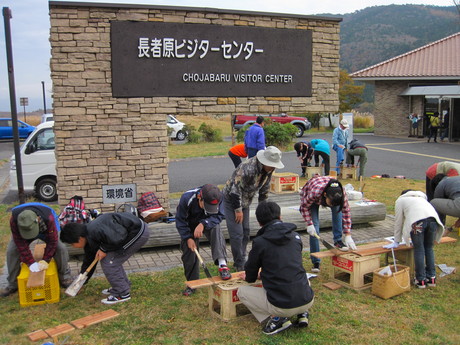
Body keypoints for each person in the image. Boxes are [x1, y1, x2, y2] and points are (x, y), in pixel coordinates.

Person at [237, 201, 314, 335]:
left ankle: (277, 318)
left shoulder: (260, 242)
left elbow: (250, 277)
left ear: (259, 222)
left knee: (241, 291)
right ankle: (302, 312)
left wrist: (251, 275)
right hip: (307, 300)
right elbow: (287, 264)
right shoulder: (296, 236)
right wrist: (264, 274)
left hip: (282, 305)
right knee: (301, 276)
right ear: (280, 217)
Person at [60, 211, 150, 304]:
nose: (73, 246)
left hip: (138, 232)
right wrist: (80, 283)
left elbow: (119, 237)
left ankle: (122, 294)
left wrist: (104, 249)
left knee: (110, 262)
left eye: (72, 244)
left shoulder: (94, 230)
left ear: (79, 238)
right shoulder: (88, 237)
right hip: (128, 234)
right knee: (110, 260)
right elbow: (89, 262)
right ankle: (122, 285)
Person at [222, 146, 284, 272]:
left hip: (245, 200)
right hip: (232, 200)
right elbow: (235, 191)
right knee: (237, 233)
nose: (273, 168)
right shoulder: (248, 168)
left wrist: (265, 214)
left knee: (246, 231)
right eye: (271, 165)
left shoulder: (269, 169)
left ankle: (242, 257)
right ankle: (239, 263)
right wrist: (238, 210)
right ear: (264, 161)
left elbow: (264, 191)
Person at [0, 202, 72, 297]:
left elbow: (53, 242)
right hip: (23, 232)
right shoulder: (14, 220)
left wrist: (45, 260)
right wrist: (30, 262)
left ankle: (64, 277)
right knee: (12, 251)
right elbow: (20, 244)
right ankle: (13, 284)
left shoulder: (48, 217)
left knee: (61, 248)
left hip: (46, 228)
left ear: (38, 219)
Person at [175, 184, 230, 297]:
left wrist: (203, 224)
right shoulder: (186, 198)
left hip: (208, 222)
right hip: (189, 224)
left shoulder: (219, 197)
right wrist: (188, 238)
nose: (207, 209)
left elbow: (219, 216)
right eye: (206, 206)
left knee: (216, 229)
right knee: (189, 253)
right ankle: (192, 283)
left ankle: (222, 265)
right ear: (200, 198)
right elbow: (180, 220)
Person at [383, 190, 444, 288]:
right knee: (429, 248)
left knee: (419, 249)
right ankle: (431, 277)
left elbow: (398, 221)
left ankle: (420, 280)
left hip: (418, 223)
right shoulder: (421, 197)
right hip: (433, 221)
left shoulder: (401, 200)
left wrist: (397, 240)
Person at [300, 176, 357, 272]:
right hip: (312, 194)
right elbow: (304, 207)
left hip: (330, 192)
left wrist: (348, 234)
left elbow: (346, 212)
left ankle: (338, 241)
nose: (332, 206)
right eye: (331, 203)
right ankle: (316, 261)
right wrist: (309, 224)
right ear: (325, 195)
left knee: (338, 211)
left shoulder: (341, 194)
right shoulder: (314, 192)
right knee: (315, 229)